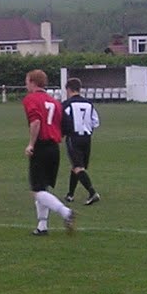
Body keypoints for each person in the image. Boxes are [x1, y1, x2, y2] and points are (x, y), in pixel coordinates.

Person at [23, 69, 76, 235]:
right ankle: (42, 226)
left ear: (32, 82)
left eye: (27, 80)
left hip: (41, 146)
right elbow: (67, 126)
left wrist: (31, 144)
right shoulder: (55, 102)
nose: (26, 84)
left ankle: (65, 212)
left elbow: (36, 122)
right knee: (43, 188)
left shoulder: (31, 99)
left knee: (37, 191)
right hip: (54, 148)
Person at [61, 78, 101, 206]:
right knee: (76, 166)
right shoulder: (89, 104)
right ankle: (70, 194)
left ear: (68, 89)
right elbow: (96, 122)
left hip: (74, 137)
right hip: (87, 138)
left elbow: (63, 121)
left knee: (78, 167)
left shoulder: (66, 104)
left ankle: (92, 192)